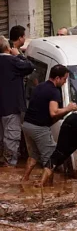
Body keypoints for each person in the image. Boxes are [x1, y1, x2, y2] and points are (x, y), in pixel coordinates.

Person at [22, 65, 77, 182]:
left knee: (33, 155)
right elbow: (53, 112)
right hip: (39, 128)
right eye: (64, 79)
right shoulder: (54, 91)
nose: (64, 82)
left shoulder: (39, 87)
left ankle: (25, 179)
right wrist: (69, 108)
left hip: (27, 125)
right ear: (57, 78)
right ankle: (46, 186)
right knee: (52, 157)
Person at [0, 36, 35, 167]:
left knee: (3, 136)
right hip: (11, 107)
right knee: (11, 137)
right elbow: (30, 67)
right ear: (7, 48)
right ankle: (10, 166)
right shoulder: (12, 61)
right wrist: (18, 55)